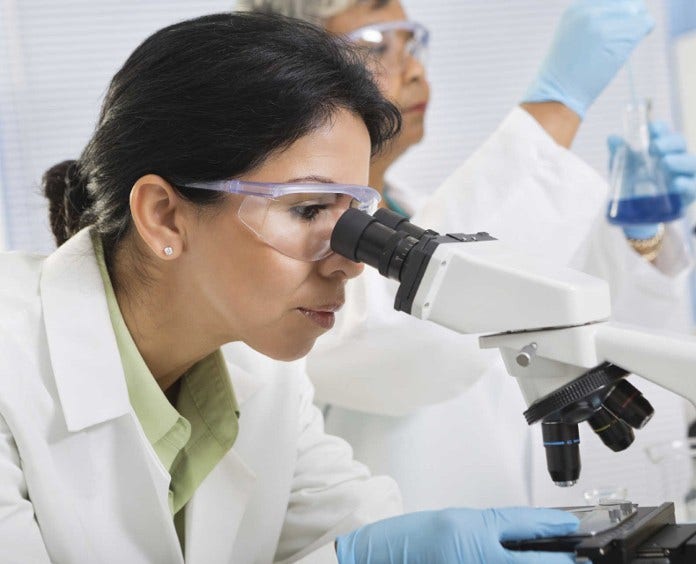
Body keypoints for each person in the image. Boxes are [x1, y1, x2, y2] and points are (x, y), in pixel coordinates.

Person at [0, 11, 581, 564]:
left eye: (354, 217)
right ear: (165, 216)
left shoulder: (265, 377)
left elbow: (353, 525)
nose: (352, 264)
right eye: (307, 210)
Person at [234, 0, 696, 510]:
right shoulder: (278, 261)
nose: (412, 70)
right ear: (287, 73)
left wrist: (640, 238)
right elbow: (415, 340)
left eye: (412, 43)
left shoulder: (418, 206)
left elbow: (567, 332)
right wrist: (557, 106)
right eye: (377, 44)